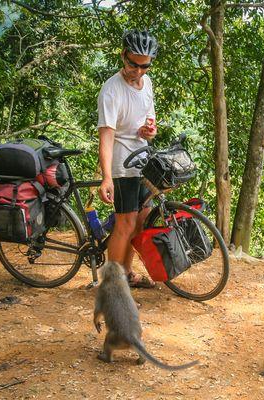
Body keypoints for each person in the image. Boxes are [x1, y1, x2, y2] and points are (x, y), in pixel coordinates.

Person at [97, 29, 159, 288]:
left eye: (144, 66)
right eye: (133, 64)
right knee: (125, 223)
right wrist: (107, 177)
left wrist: (150, 131)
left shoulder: (147, 84)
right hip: (122, 163)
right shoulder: (111, 91)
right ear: (123, 56)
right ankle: (111, 284)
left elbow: (150, 122)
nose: (138, 71)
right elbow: (107, 135)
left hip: (143, 159)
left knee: (142, 220)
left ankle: (126, 272)